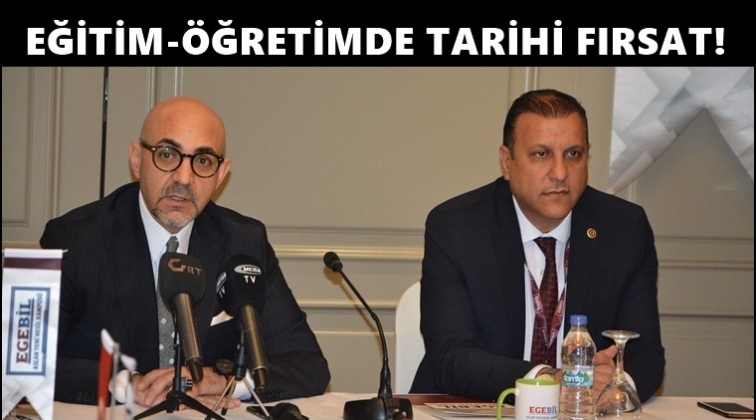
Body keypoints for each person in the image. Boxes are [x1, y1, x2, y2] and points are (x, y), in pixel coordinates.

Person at [40, 96, 330, 409]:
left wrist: (225, 382)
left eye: (203, 161)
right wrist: (126, 385)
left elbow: (308, 364)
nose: (183, 178)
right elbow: (24, 362)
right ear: (136, 159)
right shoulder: (75, 240)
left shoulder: (243, 241)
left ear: (221, 174)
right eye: (167, 155)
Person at [410, 89, 665, 402]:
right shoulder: (457, 228)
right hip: (481, 407)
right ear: (507, 162)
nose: (560, 173)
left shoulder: (624, 229)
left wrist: (615, 383)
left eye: (573, 154)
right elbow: (450, 357)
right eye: (541, 154)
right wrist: (549, 380)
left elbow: (645, 354)